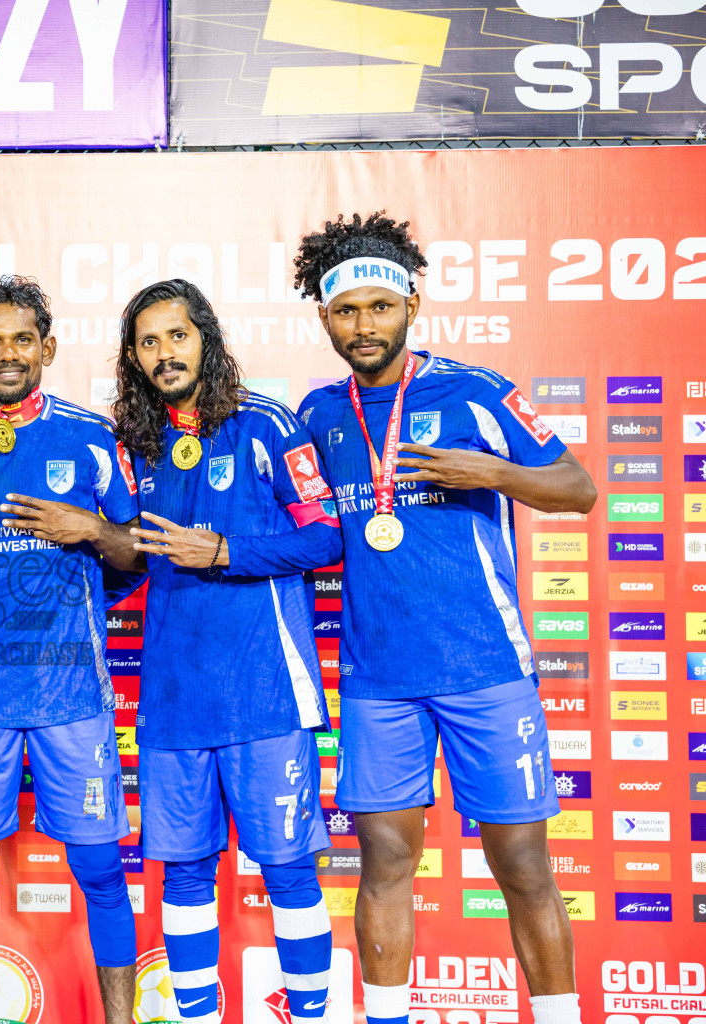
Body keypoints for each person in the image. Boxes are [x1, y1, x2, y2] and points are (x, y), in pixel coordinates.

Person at [292, 212, 597, 1024]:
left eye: (379, 308)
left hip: (485, 670)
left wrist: (490, 470)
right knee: (383, 862)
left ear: (411, 305)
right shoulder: (317, 415)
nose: (363, 325)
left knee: (523, 865)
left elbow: (578, 490)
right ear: (323, 316)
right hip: (376, 679)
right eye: (346, 311)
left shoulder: (474, 392)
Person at [106, 278, 342, 1024]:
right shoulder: (133, 446)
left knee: (288, 869)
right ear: (133, 359)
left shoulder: (268, 425)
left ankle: (308, 1013)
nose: (163, 353)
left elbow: (326, 535)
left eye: (176, 335)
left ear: (204, 336)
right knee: (181, 873)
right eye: (147, 342)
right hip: (173, 703)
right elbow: (127, 560)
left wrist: (225, 550)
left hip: (264, 692)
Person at [0, 277, 141, 1023]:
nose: (5, 355)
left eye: (20, 340)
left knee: (102, 869)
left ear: (46, 347)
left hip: (71, 695)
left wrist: (91, 531)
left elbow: (136, 556)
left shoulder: (91, 439)